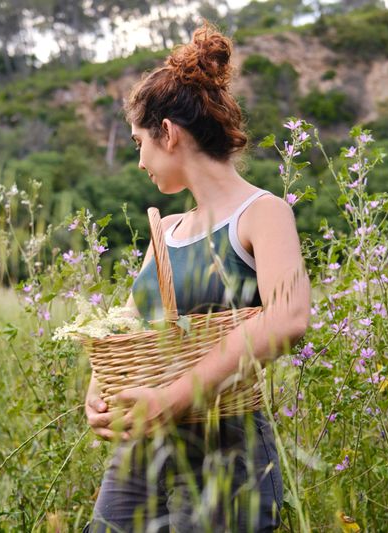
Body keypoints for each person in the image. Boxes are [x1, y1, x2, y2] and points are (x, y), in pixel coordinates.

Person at [83, 20, 311, 532]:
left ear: (168, 133)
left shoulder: (263, 212)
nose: (139, 160)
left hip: (226, 456)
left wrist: (170, 399)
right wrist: (98, 390)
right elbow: (129, 327)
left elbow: (288, 318)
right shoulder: (164, 231)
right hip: (141, 459)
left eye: (139, 142)